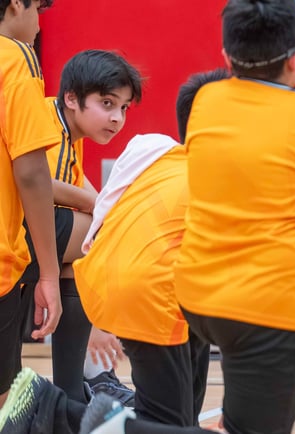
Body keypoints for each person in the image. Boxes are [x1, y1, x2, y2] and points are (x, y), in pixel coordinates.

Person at [170, 0, 295, 432]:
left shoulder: (205, 101)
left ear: (226, 58)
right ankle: (91, 419)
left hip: (196, 298)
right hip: (268, 309)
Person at [73, 69, 231, 429]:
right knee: (166, 425)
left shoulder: (159, 156)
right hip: (149, 294)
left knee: (183, 419)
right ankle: (62, 411)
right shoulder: (217, 173)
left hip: (166, 292)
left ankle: (104, 409)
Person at [18, 49, 142, 405]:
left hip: (29, 231)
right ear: (71, 98)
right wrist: (96, 207)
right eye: (107, 103)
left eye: (123, 108)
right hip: (11, 229)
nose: (117, 118)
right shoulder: (48, 121)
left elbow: (93, 199)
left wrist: (100, 206)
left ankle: (74, 389)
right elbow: (37, 183)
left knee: (97, 238)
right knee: (100, 235)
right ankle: (96, 367)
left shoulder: (71, 138)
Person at [0, 0, 63, 416]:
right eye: (39, 8)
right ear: (16, 4)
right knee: (7, 405)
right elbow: (32, 173)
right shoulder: (15, 57)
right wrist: (50, 273)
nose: (39, 24)